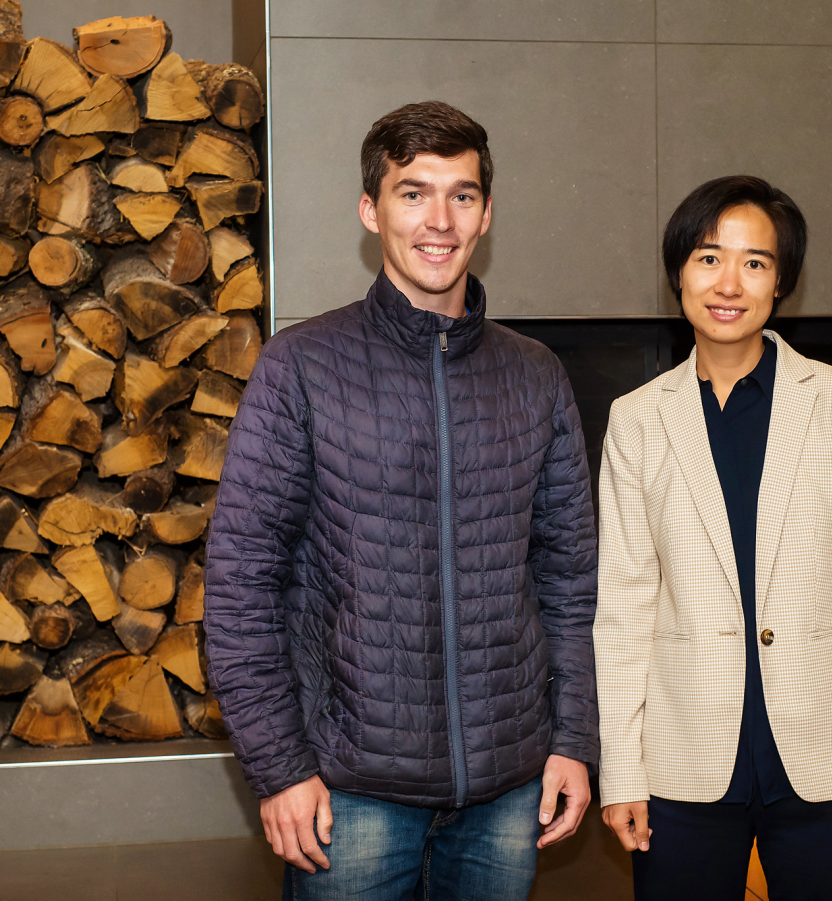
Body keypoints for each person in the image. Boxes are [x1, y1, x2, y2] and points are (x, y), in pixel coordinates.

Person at [204, 101, 599, 901]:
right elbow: (241, 584)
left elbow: (570, 580)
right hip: (348, 789)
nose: (439, 220)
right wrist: (280, 767)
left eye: (461, 195)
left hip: (508, 786)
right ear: (370, 209)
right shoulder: (301, 368)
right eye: (413, 193)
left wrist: (574, 739)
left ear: (487, 214)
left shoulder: (535, 373)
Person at [594, 175, 832, 900]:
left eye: (755, 262)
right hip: (682, 771)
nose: (729, 282)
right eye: (709, 257)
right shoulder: (637, 420)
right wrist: (620, 769)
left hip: (829, 769)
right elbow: (622, 609)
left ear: (782, 284)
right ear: (678, 272)